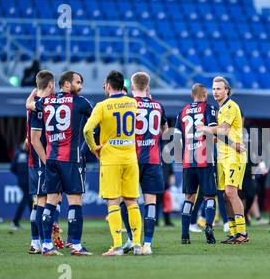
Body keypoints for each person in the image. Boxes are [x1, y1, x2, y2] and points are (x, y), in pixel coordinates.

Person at [27, 70, 93, 256]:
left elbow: (31, 105)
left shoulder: (46, 102)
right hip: (70, 159)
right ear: (66, 83)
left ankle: (46, 245)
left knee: (51, 201)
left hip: (51, 159)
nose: (80, 86)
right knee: (75, 201)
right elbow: (97, 119)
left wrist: (31, 97)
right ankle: (76, 245)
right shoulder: (80, 102)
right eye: (77, 82)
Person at [84, 70, 143, 256]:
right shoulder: (133, 103)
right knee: (132, 201)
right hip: (130, 159)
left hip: (110, 160)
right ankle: (137, 245)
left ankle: (117, 246)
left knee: (113, 202)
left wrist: (94, 148)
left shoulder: (102, 106)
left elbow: (87, 130)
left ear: (108, 85)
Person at [197, 76, 248, 244]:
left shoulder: (231, 106)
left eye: (219, 88)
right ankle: (234, 232)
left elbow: (224, 130)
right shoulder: (220, 110)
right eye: (214, 89)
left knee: (231, 193)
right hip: (222, 155)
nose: (215, 91)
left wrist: (204, 128)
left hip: (234, 156)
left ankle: (242, 232)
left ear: (227, 90)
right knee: (225, 196)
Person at [131, 71, 168, 255]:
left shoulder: (128, 104)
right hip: (153, 159)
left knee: (128, 200)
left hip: (131, 159)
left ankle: (132, 240)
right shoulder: (158, 106)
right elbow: (165, 131)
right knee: (150, 202)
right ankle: (147, 244)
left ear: (132, 86)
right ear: (148, 87)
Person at [175, 83, 218, 244]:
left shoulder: (182, 111)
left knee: (189, 198)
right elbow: (212, 130)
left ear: (192, 95)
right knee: (209, 197)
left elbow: (177, 138)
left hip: (188, 161)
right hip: (205, 158)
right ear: (205, 94)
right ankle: (208, 226)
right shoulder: (209, 108)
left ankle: (185, 235)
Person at [10, 141, 33, 230]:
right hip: (28, 181)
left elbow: (12, 168)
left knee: (29, 201)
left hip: (21, 181)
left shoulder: (18, 154)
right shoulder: (29, 154)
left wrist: (20, 175)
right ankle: (15, 221)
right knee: (25, 199)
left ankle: (34, 221)